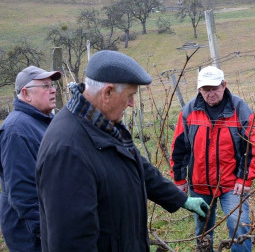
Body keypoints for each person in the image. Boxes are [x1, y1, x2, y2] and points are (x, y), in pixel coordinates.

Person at [36, 50, 209, 252]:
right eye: (129, 96)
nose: (132, 103)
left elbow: (136, 164)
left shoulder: (102, 122)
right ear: (107, 93)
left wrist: (180, 198)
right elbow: (72, 242)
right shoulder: (68, 150)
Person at [170, 66, 255, 251]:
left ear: (224, 85)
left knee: (239, 227)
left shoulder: (239, 109)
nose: (211, 93)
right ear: (199, 90)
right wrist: (179, 179)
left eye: (215, 88)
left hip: (232, 184)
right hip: (200, 183)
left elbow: (250, 146)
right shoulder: (189, 111)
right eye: (206, 89)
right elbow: (180, 147)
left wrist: (244, 178)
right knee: (203, 230)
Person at [0, 66, 61, 252]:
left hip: (49, 222)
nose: (53, 90)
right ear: (26, 94)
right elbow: (23, 193)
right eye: (45, 85)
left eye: (52, 85)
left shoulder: (45, 120)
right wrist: (46, 234)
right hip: (30, 233)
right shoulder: (16, 130)